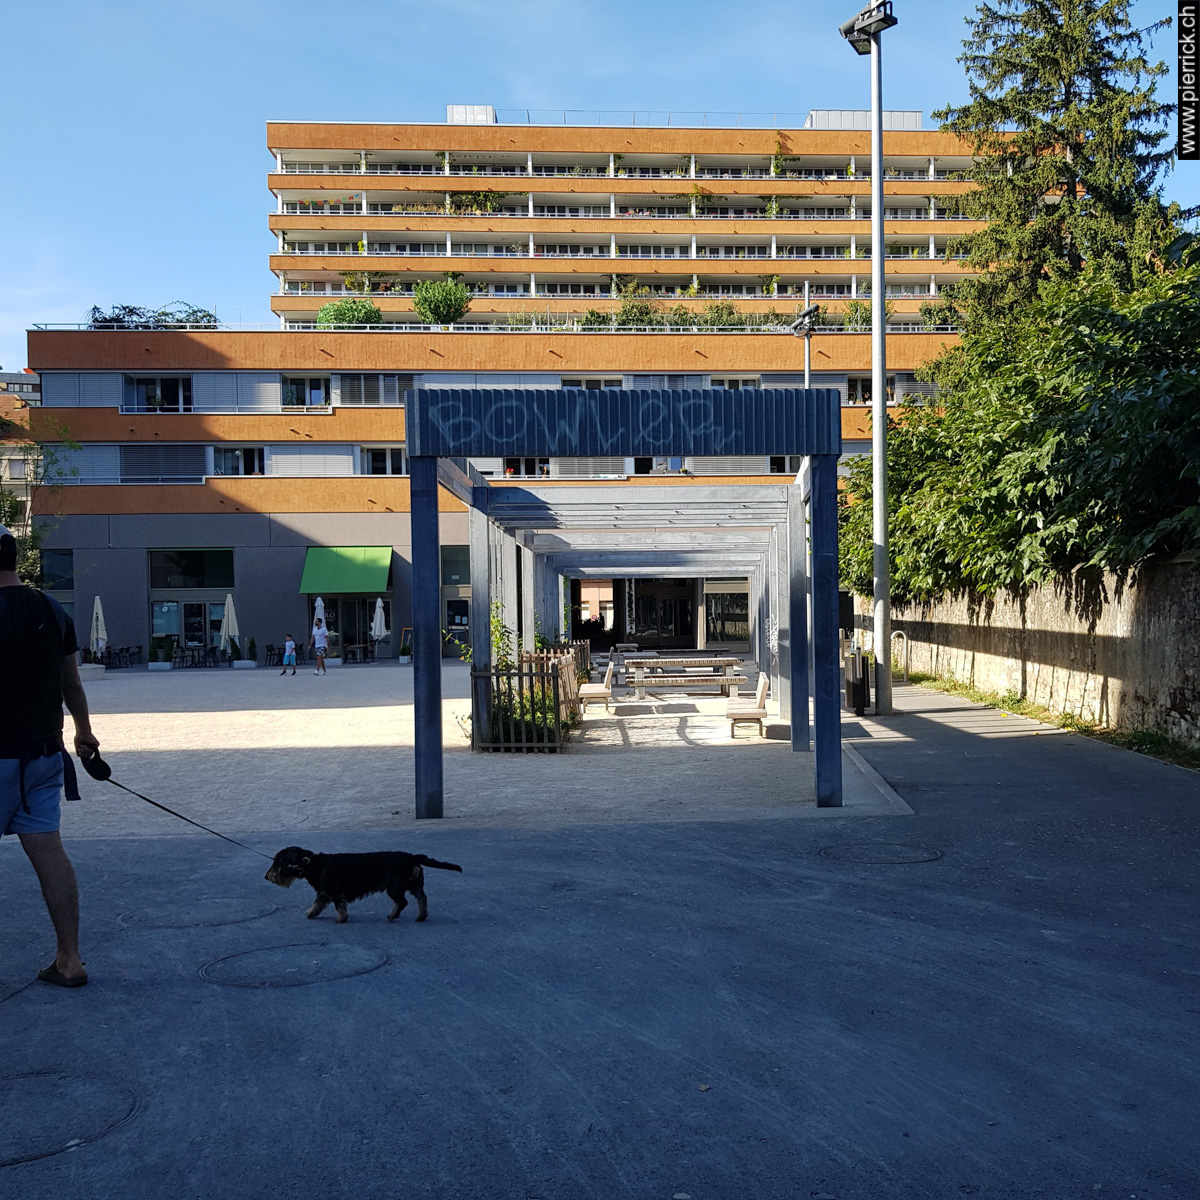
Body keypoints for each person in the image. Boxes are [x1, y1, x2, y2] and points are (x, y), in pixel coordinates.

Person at [0, 524, 99, 988]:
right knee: (48, 850)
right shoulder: (52, 609)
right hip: (43, 756)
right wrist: (84, 733)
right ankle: (69, 959)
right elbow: (71, 683)